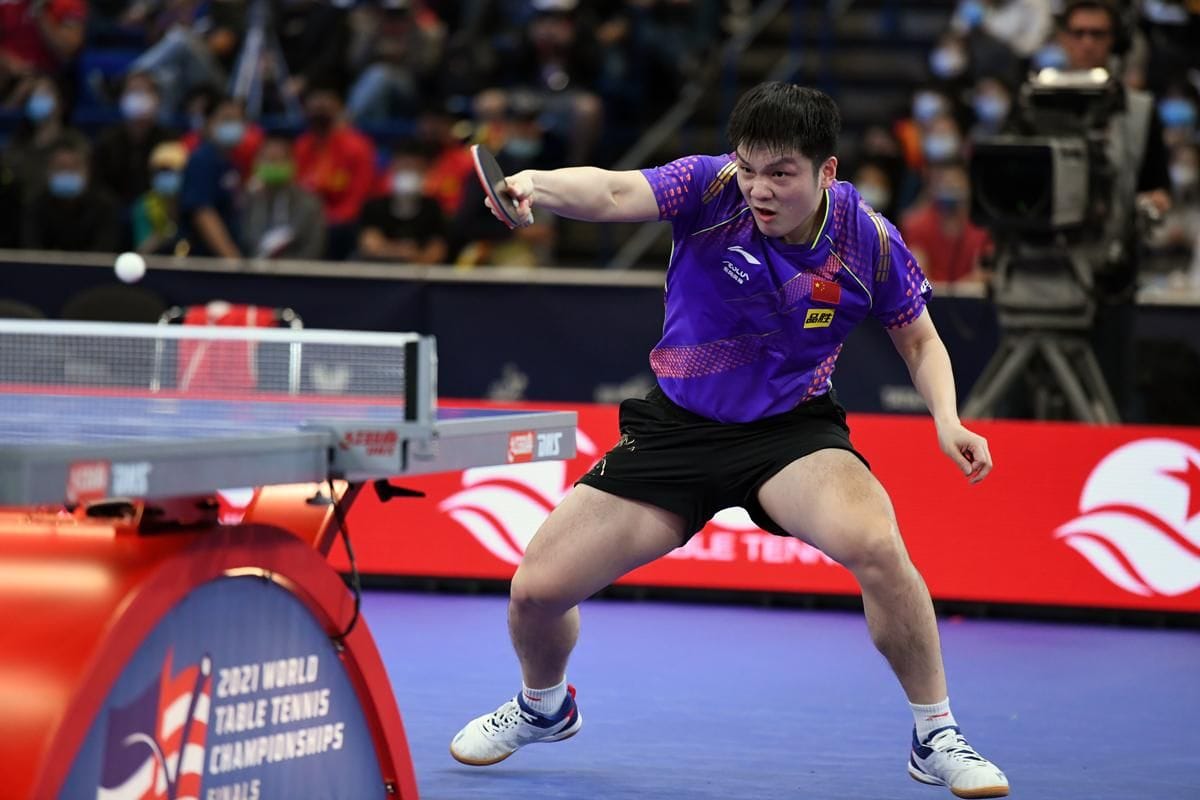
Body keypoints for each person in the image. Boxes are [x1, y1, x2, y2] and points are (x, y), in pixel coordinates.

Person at [449, 82, 1010, 798]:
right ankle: (544, 707)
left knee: (876, 544)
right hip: (679, 428)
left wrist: (947, 418)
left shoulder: (867, 240)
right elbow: (615, 192)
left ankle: (936, 735)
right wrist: (537, 184)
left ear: (827, 171)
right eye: (749, 168)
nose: (759, 189)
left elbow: (920, 340)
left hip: (790, 433)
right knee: (535, 592)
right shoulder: (709, 188)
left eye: (781, 173)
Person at [241, 135, 326, 260]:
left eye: (277, 160)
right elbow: (246, 241)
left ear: (291, 163)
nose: (272, 165)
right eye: (268, 159)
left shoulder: (309, 204)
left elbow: (313, 249)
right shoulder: (249, 201)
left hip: (296, 269)